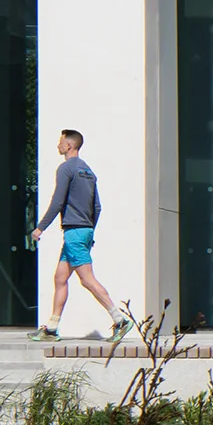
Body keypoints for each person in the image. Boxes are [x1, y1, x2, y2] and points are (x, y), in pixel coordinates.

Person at [28, 128, 132, 345]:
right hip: (82, 231)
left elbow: (58, 201)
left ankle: (119, 319)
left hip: (74, 232)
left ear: (70, 145)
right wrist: (89, 230)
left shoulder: (66, 168)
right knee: (60, 278)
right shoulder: (88, 171)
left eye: (61, 142)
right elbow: (98, 207)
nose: (58, 146)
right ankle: (52, 328)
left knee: (87, 279)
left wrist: (40, 228)